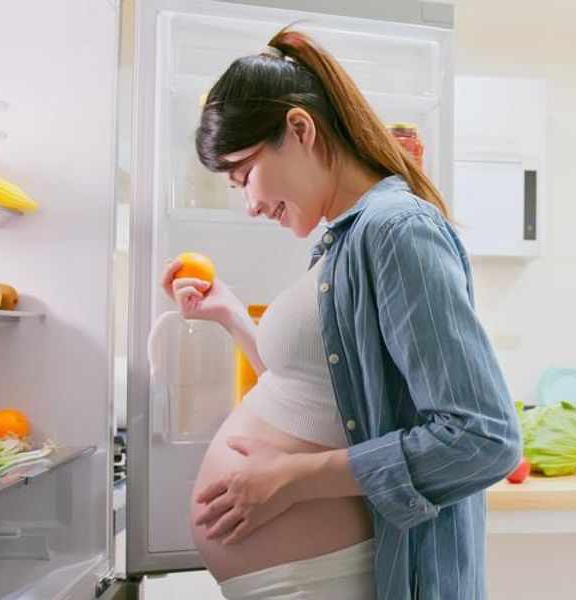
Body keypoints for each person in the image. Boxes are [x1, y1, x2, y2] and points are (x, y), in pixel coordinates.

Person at [158, 26, 522, 600]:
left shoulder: (397, 230)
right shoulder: (342, 243)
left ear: (299, 129)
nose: (249, 203)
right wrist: (232, 317)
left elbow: (483, 437)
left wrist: (291, 480)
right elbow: (330, 396)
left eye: (244, 174)